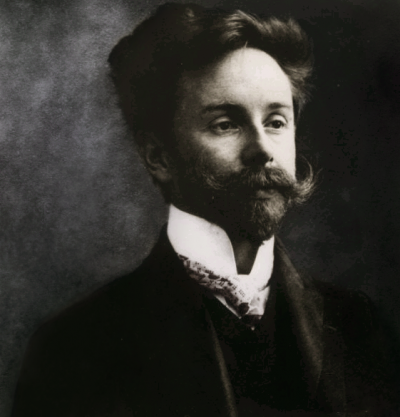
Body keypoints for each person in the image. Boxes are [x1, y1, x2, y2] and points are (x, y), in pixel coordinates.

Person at [12, 3, 395, 416]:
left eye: (276, 121)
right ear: (159, 157)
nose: (262, 149)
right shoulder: (76, 347)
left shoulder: (359, 327)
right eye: (226, 124)